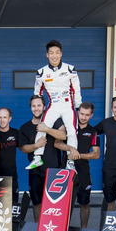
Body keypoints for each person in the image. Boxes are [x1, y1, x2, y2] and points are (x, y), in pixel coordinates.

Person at [27, 39, 81, 172]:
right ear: (47, 55)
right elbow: (37, 93)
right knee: (41, 128)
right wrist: (38, 108)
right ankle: (38, 157)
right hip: (53, 105)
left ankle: (70, 161)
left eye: (57, 52)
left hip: (68, 105)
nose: (54, 55)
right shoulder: (41, 72)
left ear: (61, 53)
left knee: (72, 131)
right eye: (51, 53)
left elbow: (76, 89)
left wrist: (78, 106)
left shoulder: (70, 69)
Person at [18, 95, 66, 221]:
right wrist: (36, 146)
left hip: (54, 171)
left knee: (54, 204)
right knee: (37, 203)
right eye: (33, 106)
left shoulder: (55, 121)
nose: (36, 108)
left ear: (44, 107)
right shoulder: (24, 128)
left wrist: (47, 129)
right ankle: (37, 230)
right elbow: (23, 149)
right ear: (30, 108)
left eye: (39, 105)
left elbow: (63, 135)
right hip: (35, 172)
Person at [54, 102, 100, 228]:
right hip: (66, 170)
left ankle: (83, 230)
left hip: (83, 170)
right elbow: (57, 143)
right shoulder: (68, 126)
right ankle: (62, 230)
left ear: (91, 115)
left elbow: (96, 154)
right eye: (81, 114)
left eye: (87, 115)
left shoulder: (93, 132)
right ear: (77, 112)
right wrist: (71, 149)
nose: (83, 117)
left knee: (84, 203)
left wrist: (78, 155)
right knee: (64, 203)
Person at [0, 107, 20, 204]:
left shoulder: (15, 133)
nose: (2, 120)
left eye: (5, 117)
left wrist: (36, 145)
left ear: (10, 118)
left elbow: (24, 148)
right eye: (0, 117)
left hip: (12, 178)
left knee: (13, 209)